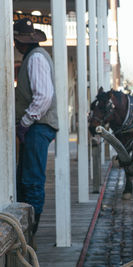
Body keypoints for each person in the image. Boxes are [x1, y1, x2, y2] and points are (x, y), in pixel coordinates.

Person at [14, 18, 58, 235]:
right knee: (27, 181)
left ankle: (29, 236)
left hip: (37, 126)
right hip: (37, 126)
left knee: (31, 182)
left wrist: (24, 123)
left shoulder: (35, 59)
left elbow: (43, 97)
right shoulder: (36, 57)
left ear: (21, 42)